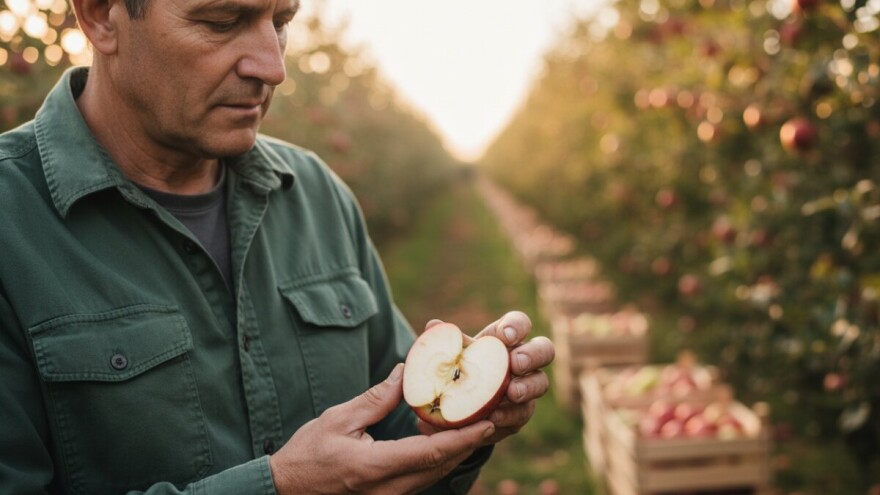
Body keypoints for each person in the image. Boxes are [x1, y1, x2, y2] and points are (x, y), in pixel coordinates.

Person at [0, 0, 556, 493]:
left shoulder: (316, 195)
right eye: (221, 22)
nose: (273, 67)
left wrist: (456, 422)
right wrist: (280, 487)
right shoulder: (13, 226)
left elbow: (391, 429)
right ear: (100, 15)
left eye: (282, 21)